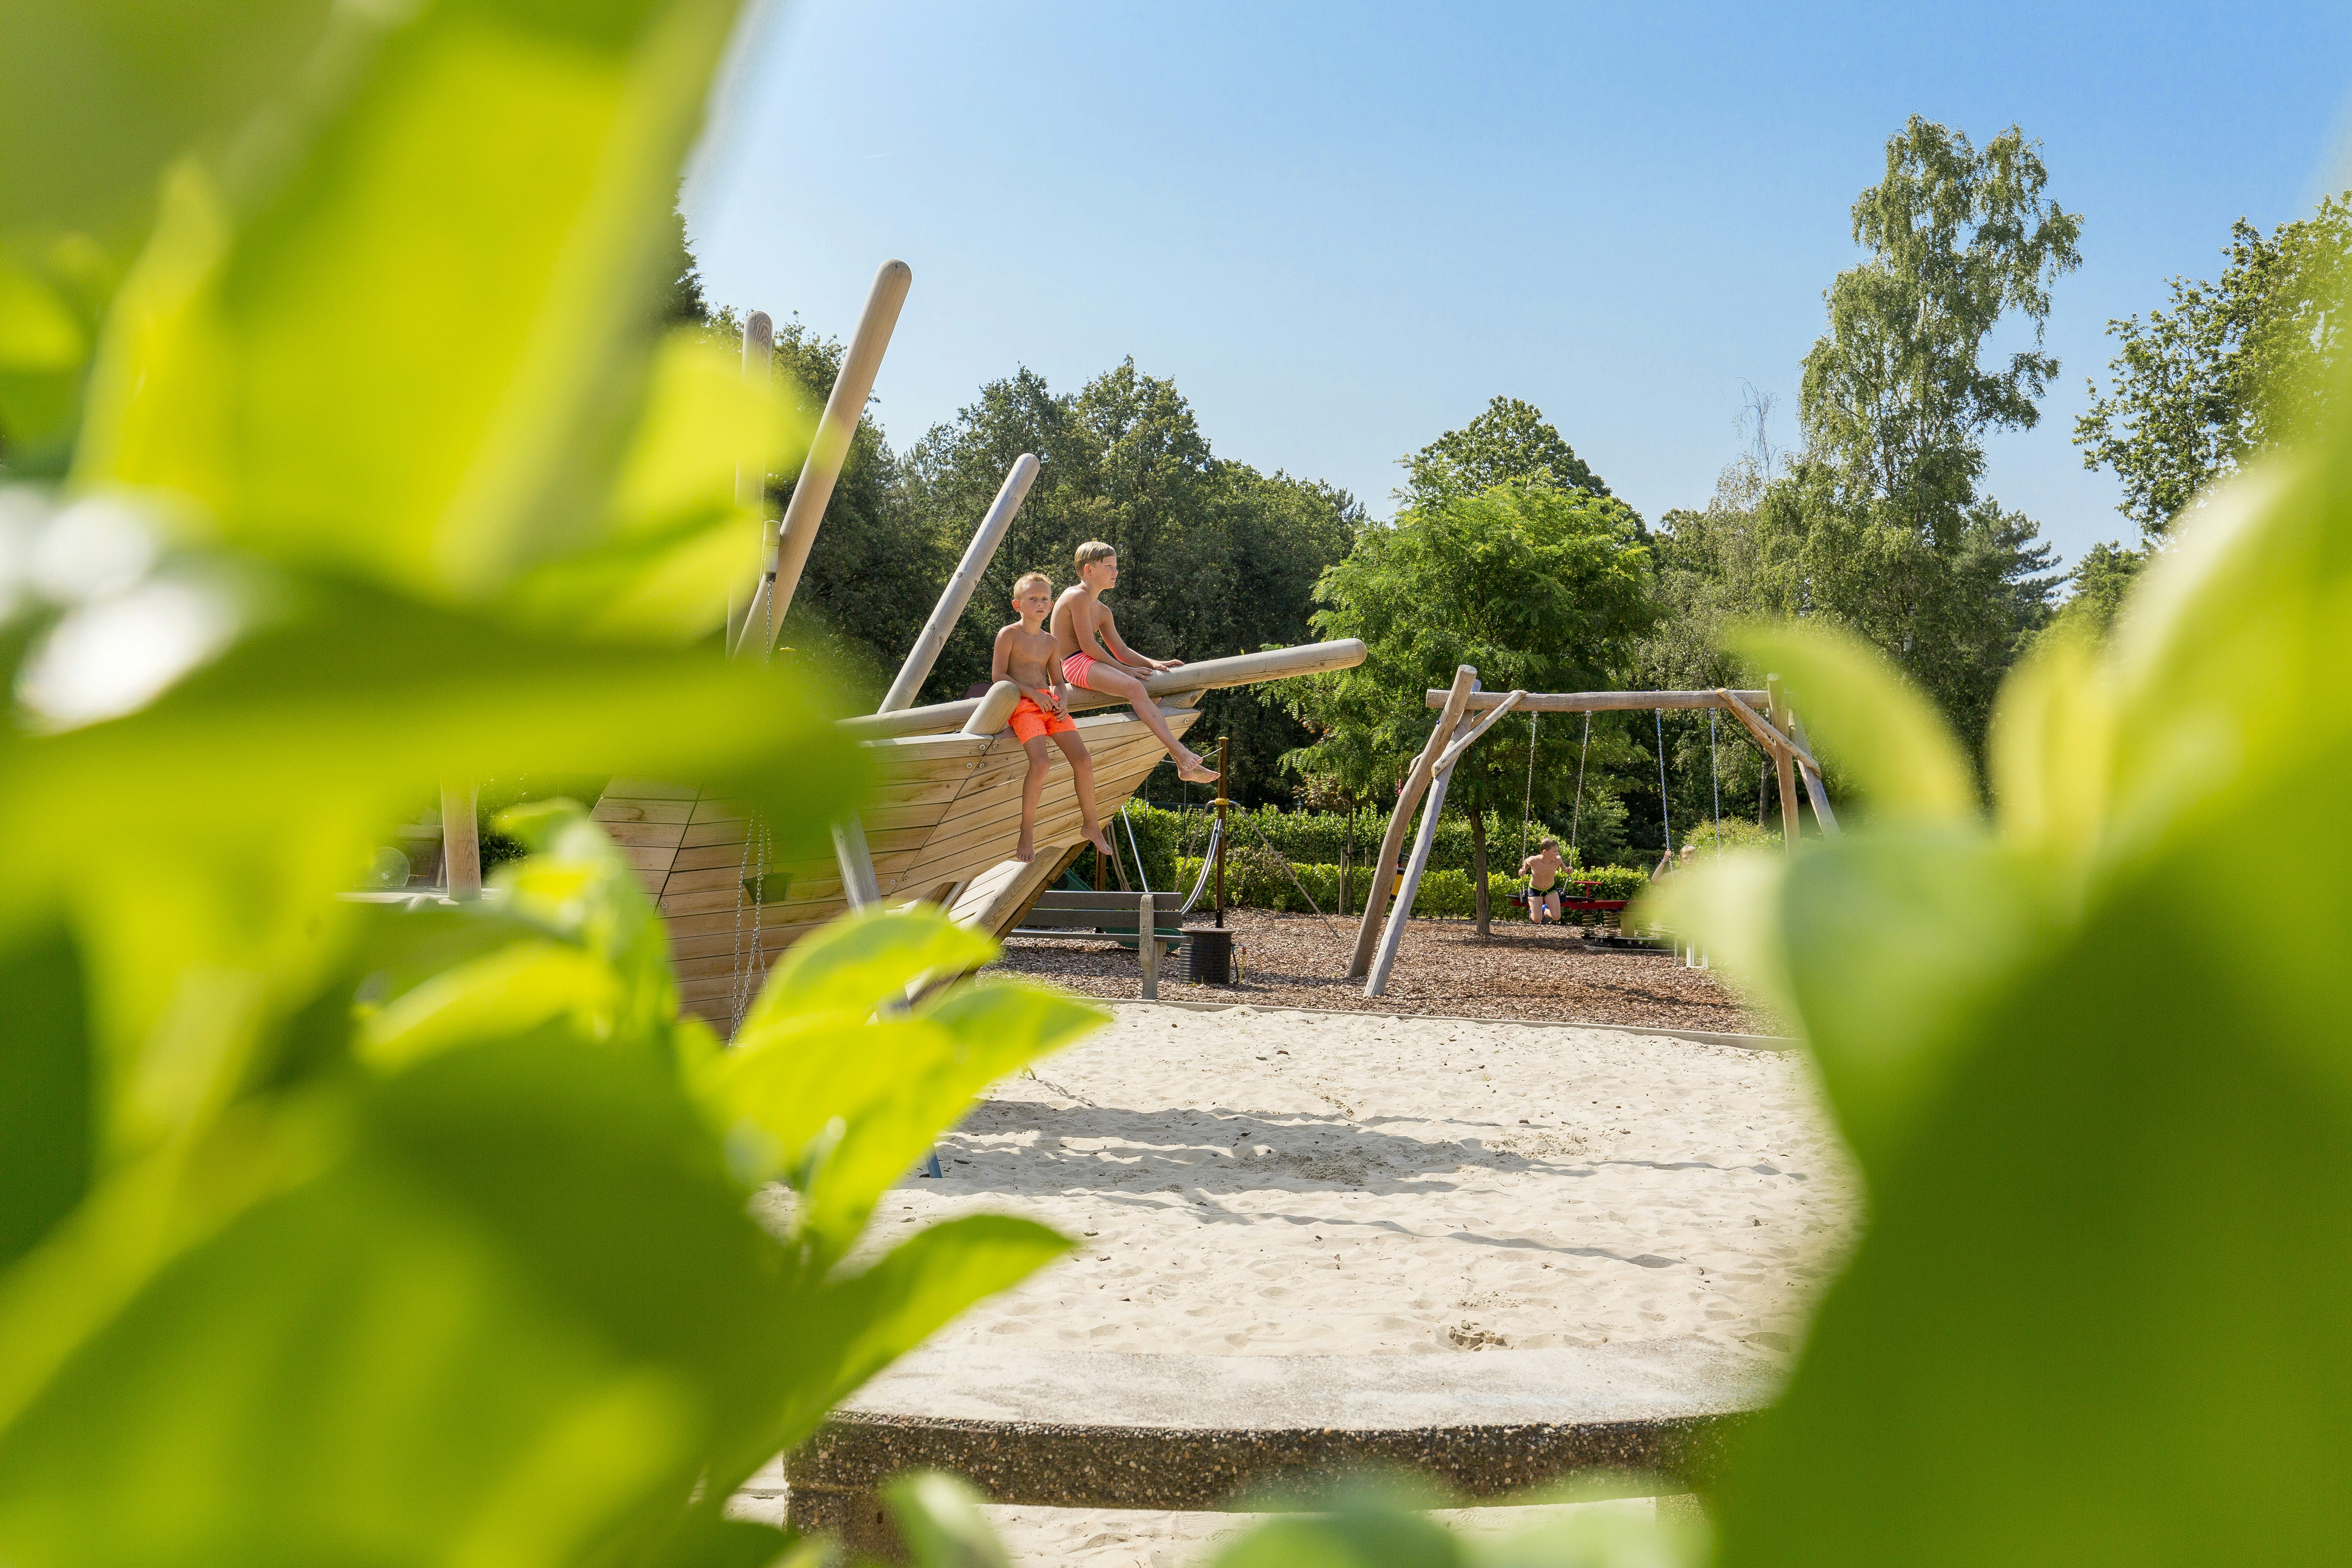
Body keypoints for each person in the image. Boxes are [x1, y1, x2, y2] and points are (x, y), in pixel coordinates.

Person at [1051, 540, 1218, 783]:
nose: (1116, 572)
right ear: (1089, 570)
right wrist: (1125, 671)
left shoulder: (1103, 611)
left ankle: (1182, 763)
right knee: (1134, 687)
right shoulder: (1076, 596)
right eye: (1109, 566)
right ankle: (1182, 754)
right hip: (1075, 663)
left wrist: (1154, 664)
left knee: (1154, 696)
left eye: (1116, 566)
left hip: (1093, 663)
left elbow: (1121, 650)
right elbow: (1088, 646)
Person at [993, 571, 1114, 864]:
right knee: (1042, 763)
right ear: (1017, 605)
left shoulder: (1051, 642)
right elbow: (999, 676)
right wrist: (1034, 696)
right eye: (1032, 599)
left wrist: (1064, 702)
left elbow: (1058, 681)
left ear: (1051, 604)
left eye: (1045, 599)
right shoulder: (1009, 634)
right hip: (1023, 706)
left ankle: (1091, 824)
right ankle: (1026, 832)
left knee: (1083, 760)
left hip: (1051, 705)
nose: (1040, 604)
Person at [1519, 836, 1567, 924]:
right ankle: (1533, 912)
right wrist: (1523, 870)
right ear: (1545, 852)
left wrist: (1569, 870)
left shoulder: (1558, 860)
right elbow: (1526, 862)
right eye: (1555, 851)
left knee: (1557, 917)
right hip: (1535, 890)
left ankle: (1544, 910)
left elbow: (1566, 870)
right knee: (1537, 919)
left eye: (1558, 851)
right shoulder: (1534, 861)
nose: (1558, 853)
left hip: (1550, 889)